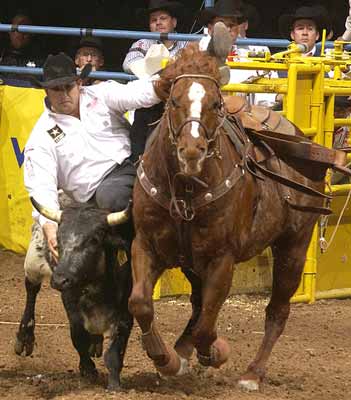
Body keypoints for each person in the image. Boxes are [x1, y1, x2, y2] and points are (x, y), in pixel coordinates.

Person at [23, 52, 161, 264]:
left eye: (68, 86)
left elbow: (139, 93)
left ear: (79, 83)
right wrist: (50, 228)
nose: (63, 95)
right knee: (110, 196)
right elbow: (41, 186)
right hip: (94, 196)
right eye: (56, 89)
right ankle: (145, 248)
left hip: (132, 163)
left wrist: (167, 81)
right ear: (46, 91)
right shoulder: (42, 136)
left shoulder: (102, 93)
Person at [123, 0, 187, 161]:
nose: (158, 22)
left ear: (174, 22)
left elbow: (193, 67)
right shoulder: (142, 42)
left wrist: (152, 68)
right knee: (139, 147)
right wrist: (171, 69)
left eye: (163, 18)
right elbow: (129, 64)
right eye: (153, 20)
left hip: (180, 104)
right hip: (150, 103)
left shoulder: (188, 42)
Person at [198, 0, 276, 107]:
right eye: (221, 24)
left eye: (232, 25)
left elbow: (266, 95)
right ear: (210, 29)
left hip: (245, 113)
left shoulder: (258, 50)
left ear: (237, 28)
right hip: (207, 111)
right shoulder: (197, 50)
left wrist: (275, 97)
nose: (228, 29)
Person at [0, 11, 44, 83]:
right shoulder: (3, 55)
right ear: (8, 31)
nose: (18, 34)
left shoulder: (41, 59)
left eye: (24, 28)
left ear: (32, 33)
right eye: (14, 29)